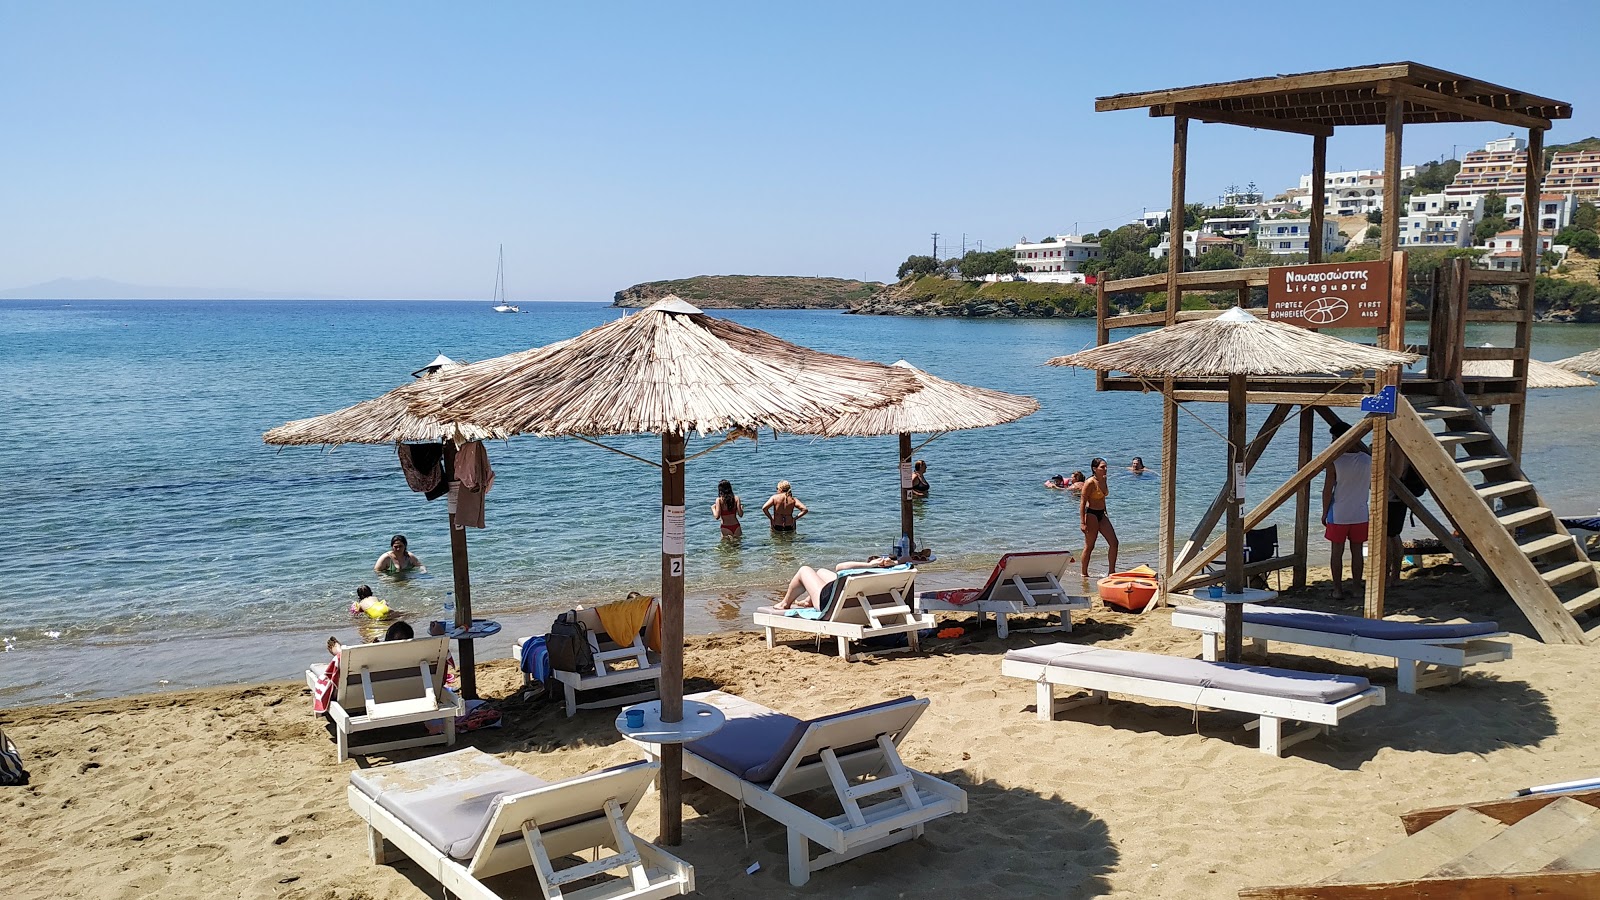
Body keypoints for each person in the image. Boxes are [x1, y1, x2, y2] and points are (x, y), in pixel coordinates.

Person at [1322, 421, 1373, 601]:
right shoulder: (1367, 460)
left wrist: (1323, 511)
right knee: (1357, 551)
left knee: (1337, 552)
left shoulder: (1335, 461)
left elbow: (1328, 490)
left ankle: (1337, 589)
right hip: (1360, 512)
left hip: (1339, 512)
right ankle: (1357, 588)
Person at [773, 557, 900, 610]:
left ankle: (785, 603)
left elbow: (841, 567)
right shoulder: (891, 577)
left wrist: (869, 565)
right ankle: (808, 601)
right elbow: (907, 562)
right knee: (821, 572)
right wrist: (894, 563)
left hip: (831, 604)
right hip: (860, 607)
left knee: (804, 570)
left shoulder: (865, 573)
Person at [1080, 458, 1119, 578]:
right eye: (1102, 467)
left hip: (1102, 514)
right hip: (1091, 514)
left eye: (1106, 466)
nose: (1105, 469)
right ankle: (1084, 573)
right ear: (1094, 469)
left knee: (1114, 543)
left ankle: (1111, 571)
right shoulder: (1090, 482)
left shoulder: (1104, 479)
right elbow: (1082, 502)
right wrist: (1082, 522)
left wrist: (1106, 511)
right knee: (1090, 545)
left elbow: (1102, 497)